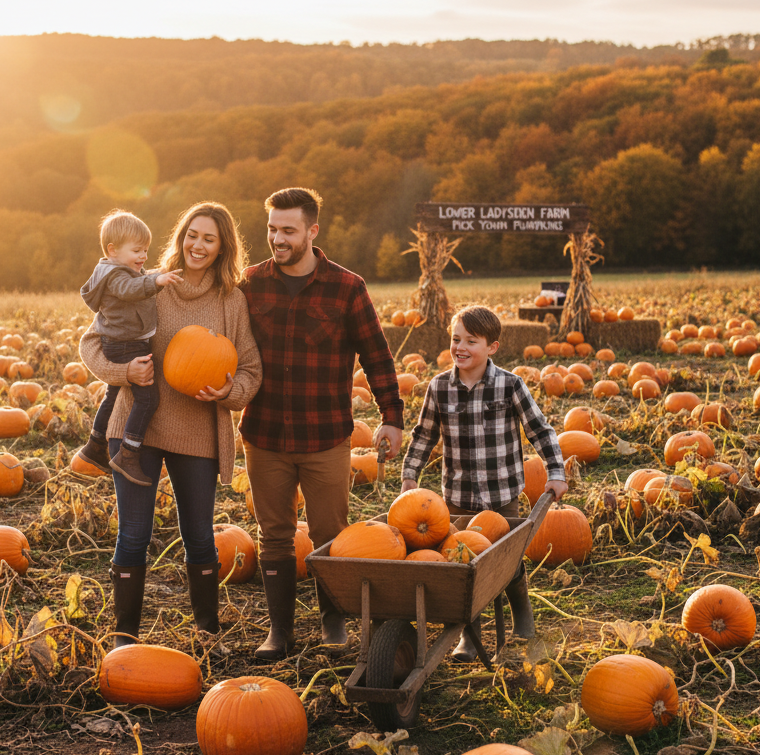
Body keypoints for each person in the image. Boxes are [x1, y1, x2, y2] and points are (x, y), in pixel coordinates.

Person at [78, 202, 262, 647]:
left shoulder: (232, 301)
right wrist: (124, 372)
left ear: (222, 248)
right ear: (181, 238)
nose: (197, 245)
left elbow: (251, 370)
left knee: (199, 536)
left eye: (209, 239)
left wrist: (229, 391)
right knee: (133, 535)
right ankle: (124, 640)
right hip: (136, 429)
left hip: (197, 431)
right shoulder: (148, 285)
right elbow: (91, 343)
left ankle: (207, 634)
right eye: (191, 235)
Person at [240, 187, 404, 661]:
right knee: (274, 536)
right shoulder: (250, 283)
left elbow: (377, 356)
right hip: (265, 433)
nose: (278, 239)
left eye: (288, 230)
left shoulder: (347, 287)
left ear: (312, 230)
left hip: (325, 434)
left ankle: (333, 623)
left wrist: (391, 417)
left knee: (331, 534)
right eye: (272, 229)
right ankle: (280, 631)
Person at [400, 304, 568, 660]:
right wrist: (410, 475)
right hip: (457, 497)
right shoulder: (439, 386)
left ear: (492, 347)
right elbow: (424, 436)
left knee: (508, 561)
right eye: (455, 339)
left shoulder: (510, 385)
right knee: (462, 565)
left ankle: (522, 614)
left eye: (470, 341)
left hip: (501, 494)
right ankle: (469, 633)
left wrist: (555, 472)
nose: (460, 347)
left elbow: (539, 430)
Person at [78, 209, 182, 486]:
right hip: (126, 345)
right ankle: (129, 452)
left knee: (113, 395)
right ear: (112, 250)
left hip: (120, 343)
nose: (143, 256)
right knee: (148, 399)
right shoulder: (115, 276)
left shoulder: (119, 269)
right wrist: (156, 281)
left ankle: (95, 445)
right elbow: (130, 289)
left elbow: (136, 282)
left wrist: (155, 275)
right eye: (137, 250)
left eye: (145, 250)